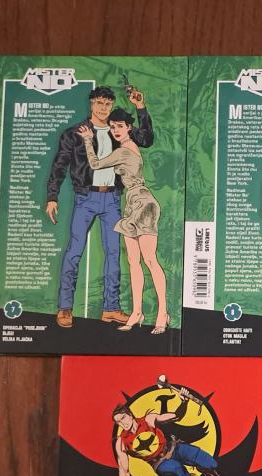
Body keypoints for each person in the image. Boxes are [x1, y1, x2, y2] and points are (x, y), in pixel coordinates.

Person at [46, 86, 154, 329]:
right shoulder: (74, 133)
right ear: (91, 104)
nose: (103, 108)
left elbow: (147, 139)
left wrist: (140, 107)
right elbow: (59, 166)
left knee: (114, 253)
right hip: (85, 198)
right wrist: (52, 196)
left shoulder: (119, 131)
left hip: (112, 198)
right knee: (74, 250)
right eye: (99, 103)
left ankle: (111, 308)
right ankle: (65, 307)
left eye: (107, 103)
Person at [77, 107, 168, 334]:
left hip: (144, 203)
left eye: (120, 126)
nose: (115, 130)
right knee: (133, 262)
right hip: (132, 203)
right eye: (112, 127)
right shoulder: (127, 146)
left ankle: (162, 313)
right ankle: (137, 313)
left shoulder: (124, 151)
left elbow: (95, 164)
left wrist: (88, 140)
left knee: (150, 260)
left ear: (129, 127)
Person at [112, 395, 220, 476]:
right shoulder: (121, 442)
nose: (122, 423)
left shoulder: (148, 419)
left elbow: (177, 416)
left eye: (123, 418)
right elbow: (124, 471)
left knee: (211, 463)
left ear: (130, 415)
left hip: (175, 448)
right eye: (118, 422)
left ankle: (204, 468)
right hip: (161, 463)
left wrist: (184, 402)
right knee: (177, 467)